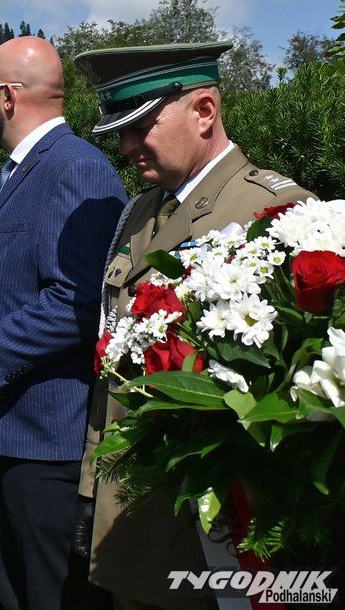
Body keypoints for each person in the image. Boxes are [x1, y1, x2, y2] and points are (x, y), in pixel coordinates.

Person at [71, 41, 313, 610]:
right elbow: (111, 366)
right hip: (133, 519)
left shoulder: (270, 212)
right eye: (121, 131)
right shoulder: (138, 214)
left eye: (140, 127)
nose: (126, 146)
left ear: (204, 111)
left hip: (220, 530)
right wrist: (91, 486)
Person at [0, 36, 127, 610]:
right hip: (9, 433)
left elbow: (78, 303)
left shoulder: (76, 168)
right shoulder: (23, 170)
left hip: (46, 445)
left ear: (7, 97)